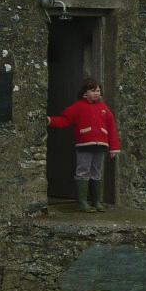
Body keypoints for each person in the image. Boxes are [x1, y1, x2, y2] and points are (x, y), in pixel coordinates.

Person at [48, 77, 121, 212]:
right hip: (84, 146)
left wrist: (114, 148)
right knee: (83, 172)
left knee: (97, 172)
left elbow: (112, 128)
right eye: (93, 90)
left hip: (100, 147)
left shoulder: (104, 109)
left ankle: (96, 202)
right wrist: (49, 120)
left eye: (98, 90)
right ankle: (82, 203)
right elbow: (64, 120)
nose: (96, 93)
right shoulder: (78, 107)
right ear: (85, 93)